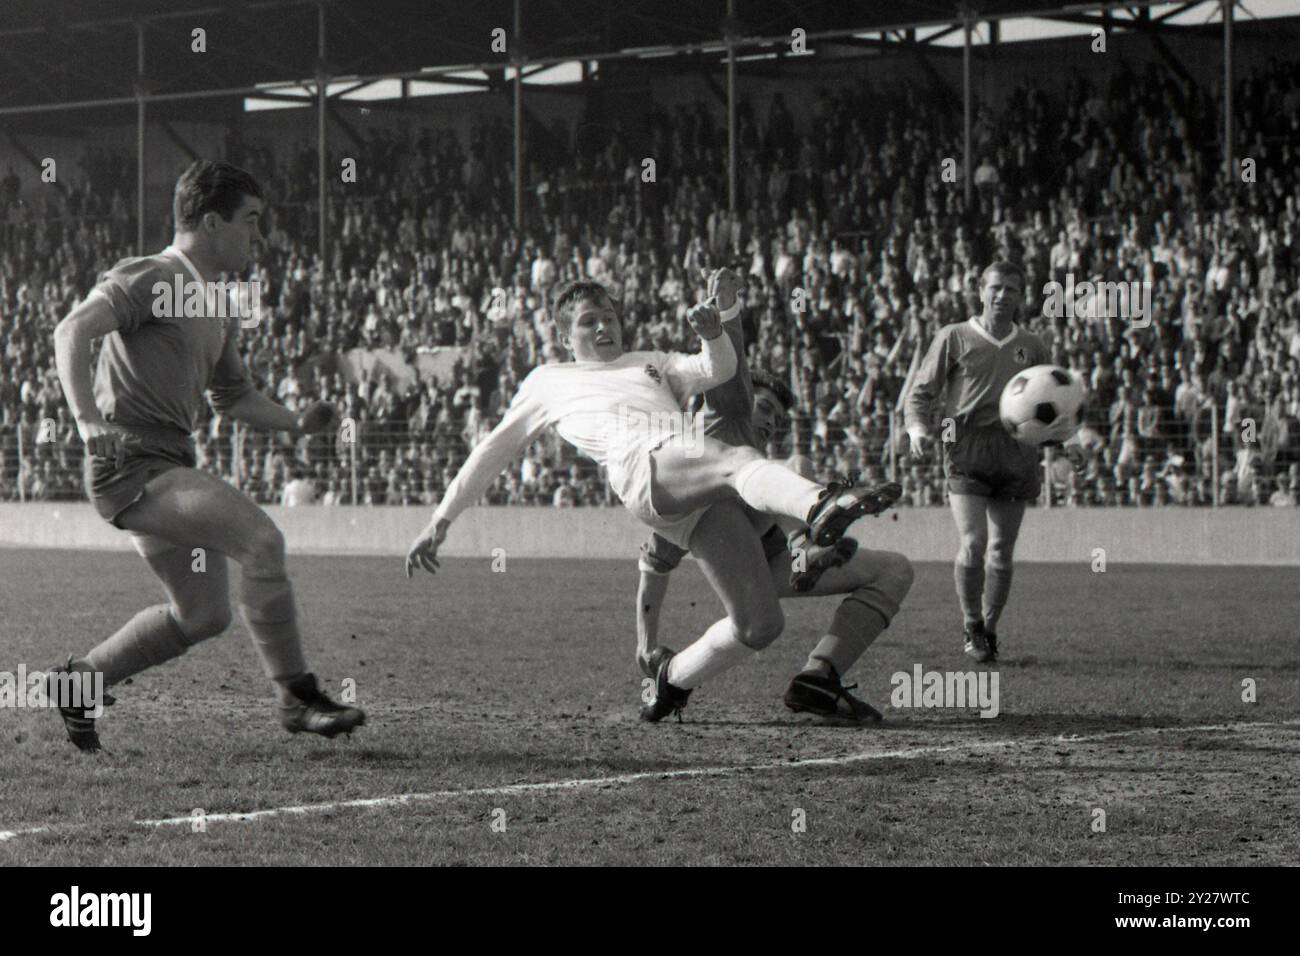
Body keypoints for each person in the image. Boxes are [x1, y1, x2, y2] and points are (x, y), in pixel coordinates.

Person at [405, 280, 901, 722]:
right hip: (642, 469)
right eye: (588, 322)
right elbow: (494, 450)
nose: (603, 327)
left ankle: (673, 679)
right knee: (735, 457)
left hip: (692, 493)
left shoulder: (653, 363)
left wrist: (712, 332)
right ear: (564, 338)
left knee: (760, 624)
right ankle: (818, 507)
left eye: (609, 317)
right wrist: (441, 518)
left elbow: (719, 368)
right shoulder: (547, 381)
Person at [49, 160, 364, 751]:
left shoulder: (218, 301)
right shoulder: (153, 275)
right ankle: (298, 697)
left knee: (203, 616)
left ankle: (79, 682)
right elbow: (72, 331)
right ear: (212, 222)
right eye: (252, 221)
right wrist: (88, 421)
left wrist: (298, 423)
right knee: (262, 543)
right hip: (132, 463)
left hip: (166, 465)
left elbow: (234, 396)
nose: (259, 235)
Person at [636, 370, 913, 722]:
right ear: (735, 404)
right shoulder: (692, 472)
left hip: (787, 566)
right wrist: (645, 644)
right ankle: (674, 678)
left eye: (777, 419)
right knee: (758, 624)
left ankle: (819, 679)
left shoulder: (765, 471)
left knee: (895, 570)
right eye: (764, 408)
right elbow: (654, 564)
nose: (770, 422)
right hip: (748, 569)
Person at [904, 260, 1078, 663]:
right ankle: (970, 624)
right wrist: (916, 429)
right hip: (966, 446)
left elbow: (1051, 401)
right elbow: (922, 391)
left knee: (1002, 549)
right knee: (974, 542)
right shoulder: (954, 336)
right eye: (995, 288)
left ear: (1020, 296)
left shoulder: (1032, 345)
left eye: (1011, 290)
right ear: (980, 290)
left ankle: (989, 628)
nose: (1002, 296)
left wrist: (1069, 441)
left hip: (1017, 450)